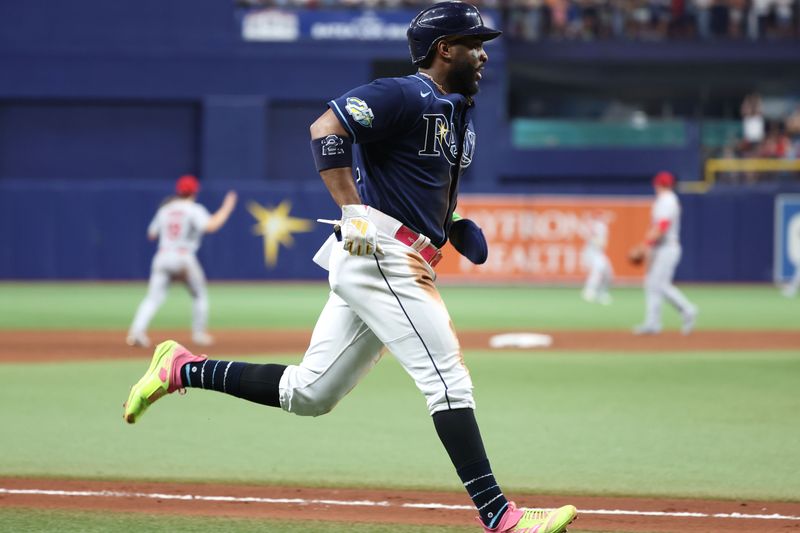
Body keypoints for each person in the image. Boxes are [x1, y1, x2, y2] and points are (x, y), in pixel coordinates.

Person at [122, 3, 577, 532]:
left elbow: (416, 184)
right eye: (473, 43)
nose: (482, 54)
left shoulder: (456, 114)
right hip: (381, 253)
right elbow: (326, 126)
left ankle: (182, 368)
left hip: (400, 255)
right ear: (443, 48)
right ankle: (500, 517)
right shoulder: (404, 91)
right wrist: (352, 208)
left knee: (309, 393)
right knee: (447, 380)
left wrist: (452, 222)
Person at [126, 175, 238, 348]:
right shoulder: (194, 209)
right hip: (184, 257)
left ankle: (137, 332)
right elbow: (211, 226)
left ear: (178, 191)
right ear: (195, 191)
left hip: (163, 256)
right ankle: (199, 334)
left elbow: (151, 234)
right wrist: (227, 207)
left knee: (152, 298)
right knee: (199, 295)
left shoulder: (165, 209)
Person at [633, 171, 698, 335]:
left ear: (658, 184)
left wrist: (644, 245)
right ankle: (652, 323)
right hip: (659, 247)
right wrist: (648, 248)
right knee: (651, 283)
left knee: (660, 285)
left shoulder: (668, 200)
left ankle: (687, 309)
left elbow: (662, 226)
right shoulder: (664, 200)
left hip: (667, 247)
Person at [580, 212, 613, 305]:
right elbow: (592, 235)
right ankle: (589, 291)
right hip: (592, 252)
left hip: (599, 253)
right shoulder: (597, 225)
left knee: (608, 272)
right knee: (597, 271)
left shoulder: (602, 226)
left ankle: (601, 293)